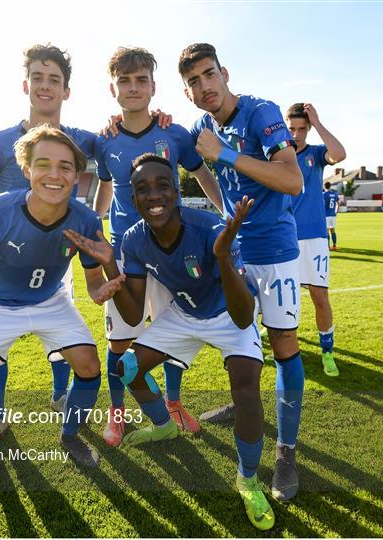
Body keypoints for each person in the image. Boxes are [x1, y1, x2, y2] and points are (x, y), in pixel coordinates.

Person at [66, 154, 274, 531]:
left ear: (177, 191)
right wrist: (111, 266)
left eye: (163, 185)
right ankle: (164, 424)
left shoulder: (211, 228)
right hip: (184, 315)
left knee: (246, 389)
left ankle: (248, 478)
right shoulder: (133, 239)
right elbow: (131, 317)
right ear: (132, 198)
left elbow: (244, 317)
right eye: (142, 189)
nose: (154, 195)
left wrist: (223, 257)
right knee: (125, 366)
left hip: (228, 314)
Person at [0, 125, 124, 498]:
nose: (54, 175)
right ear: (26, 170)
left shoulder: (85, 219)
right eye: (44, 165)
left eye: (65, 167)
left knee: (88, 367)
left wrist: (101, 290)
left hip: (50, 301)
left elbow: (91, 285)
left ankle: (69, 437)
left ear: (76, 174)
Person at [178, 43, 305, 501]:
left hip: (275, 253)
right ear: (187, 90)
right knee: (238, 337)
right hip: (236, 252)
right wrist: (225, 216)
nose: (204, 86)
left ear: (224, 73)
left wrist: (227, 155)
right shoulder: (199, 126)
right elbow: (195, 168)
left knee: (283, 346)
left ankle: (286, 453)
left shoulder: (260, 113)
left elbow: (293, 180)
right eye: (193, 81)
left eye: (209, 75)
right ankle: (242, 402)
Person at [93, 47, 223, 446]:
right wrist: (89, 225)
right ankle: (117, 415)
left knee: (170, 334)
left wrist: (231, 215)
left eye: (141, 80)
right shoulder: (105, 139)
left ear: (153, 85)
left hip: (173, 254)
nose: (133, 88)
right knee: (121, 339)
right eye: (125, 81)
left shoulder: (174, 132)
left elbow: (203, 175)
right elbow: (105, 187)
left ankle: (172, 403)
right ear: (112, 87)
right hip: (124, 255)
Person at [0, 44, 99, 418]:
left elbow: (120, 150)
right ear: (26, 85)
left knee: (58, 336)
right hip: (1, 256)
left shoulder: (81, 140)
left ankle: (60, 396)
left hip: (56, 254)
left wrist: (96, 214)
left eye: (54, 79)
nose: (45, 85)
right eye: (37, 77)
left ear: (66, 91)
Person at [286, 103, 346, 377]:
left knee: (319, 297)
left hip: (314, 238)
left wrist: (319, 123)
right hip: (284, 237)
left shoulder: (316, 154)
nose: (296, 134)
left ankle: (327, 352)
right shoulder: (276, 157)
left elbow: (339, 154)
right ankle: (291, 352)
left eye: (302, 128)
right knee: (288, 301)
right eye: (292, 128)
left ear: (308, 129)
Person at [323, 181, 340, 250]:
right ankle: (335, 245)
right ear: (330, 186)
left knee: (326, 231)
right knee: (333, 230)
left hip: (326, 215)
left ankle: (328, 246)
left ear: (324, 186)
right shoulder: (335, 194)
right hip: (333, 215)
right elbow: (338, 204)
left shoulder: (324, 194)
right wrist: (336, 212)